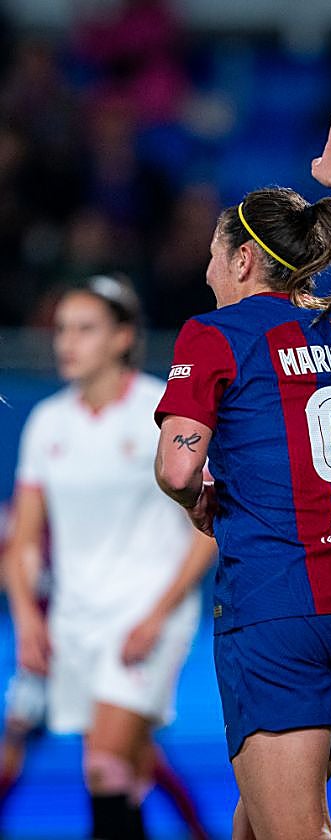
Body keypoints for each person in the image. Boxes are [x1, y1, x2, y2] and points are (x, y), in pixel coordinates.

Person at [153, 117, 331, 840]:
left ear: (247, 260)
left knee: (294, 830)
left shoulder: (214, 335)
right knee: (261, 821)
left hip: (275, 603)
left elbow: (177, 464)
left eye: (217, 256)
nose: (210, 270)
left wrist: (195, 499)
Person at [4, 274, 217, 840]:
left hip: (146, 615)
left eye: (85, 329)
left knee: (103, 764)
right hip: (76, 620)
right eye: (62, 330)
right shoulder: (49, 422)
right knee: (121, 768)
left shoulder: (165, 413)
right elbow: (24, 540)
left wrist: (158, 614)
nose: (66, 343)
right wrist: (27, 617)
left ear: (123, 337)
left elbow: (206, 529)